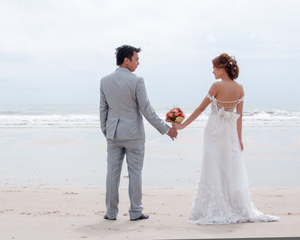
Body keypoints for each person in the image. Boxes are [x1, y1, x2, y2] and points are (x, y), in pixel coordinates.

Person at [173, 53, 279, 225]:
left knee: (213, 166)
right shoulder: (240, 88)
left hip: (214, 132)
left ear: (222, 69)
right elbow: (239, 116)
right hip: (229, 133)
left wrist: (183, 125)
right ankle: (234, 204)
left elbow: (200, 109)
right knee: (230, 168)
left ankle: (215, 206)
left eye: (214, 68)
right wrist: (239, 139)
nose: (212, 71)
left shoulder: (216, 86)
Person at [100, 45, 178, 221]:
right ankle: (135, 212)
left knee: (112, 173)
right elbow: (147, 110)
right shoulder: (137, 81)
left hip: (113, 134)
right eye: (136, 59)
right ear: (126, 60)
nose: (138, 63)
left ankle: (111, 213)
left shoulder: (104, 80)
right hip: (134, 134)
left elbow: (102, 110)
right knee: (135, 173)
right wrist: (166, 130)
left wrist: (106, 131)